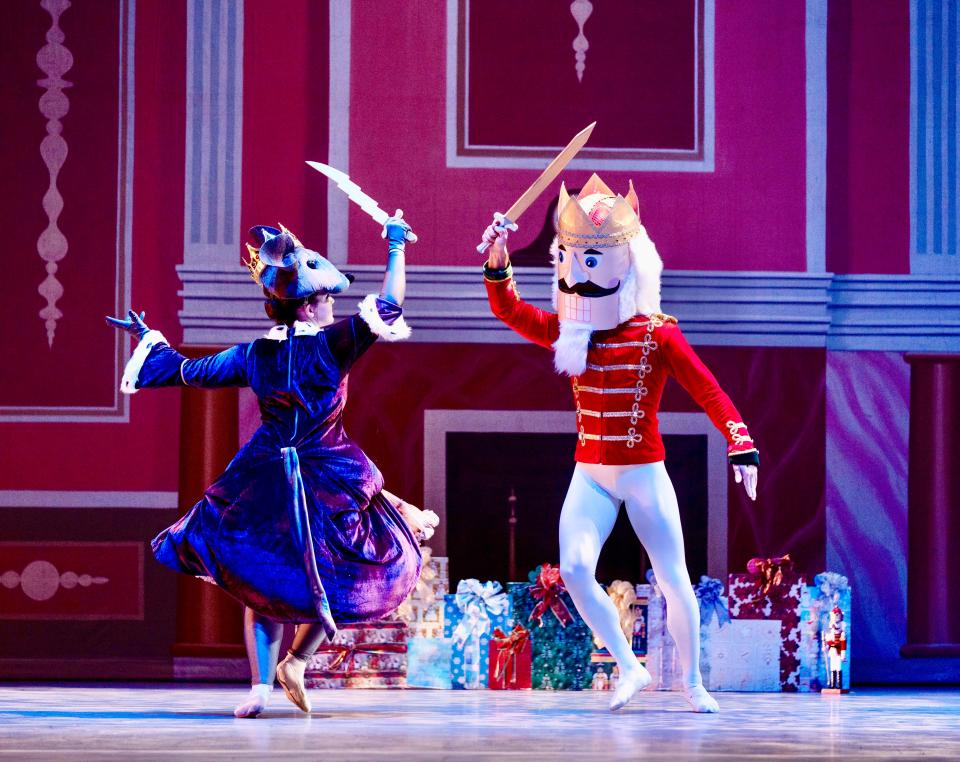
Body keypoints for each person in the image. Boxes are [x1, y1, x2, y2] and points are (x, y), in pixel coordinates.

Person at [108, 214, 436, 717]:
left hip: (282, 473)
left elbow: (185, 370)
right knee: (297, 579)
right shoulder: (330, 345)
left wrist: (149, 338)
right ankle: (276, 676)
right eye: (327, 299)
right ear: (308, 305)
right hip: (319, 474)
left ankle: (285, 671)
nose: (332, 306)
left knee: (277, 580)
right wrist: (395, 245)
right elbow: (390, 303)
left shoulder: (255, 353)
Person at [480, 174, 759, 713]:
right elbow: (510, 310)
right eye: (571, 258)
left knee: (674, 579)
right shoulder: (570, 329)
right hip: (590, 473)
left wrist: (739, 442)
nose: (577, 275)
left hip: (642, 472)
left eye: (591, 259)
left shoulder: (657, 332)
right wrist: (498, 253)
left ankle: (691, 680)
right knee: (577, 569)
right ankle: (630, 668)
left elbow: (708, 388)